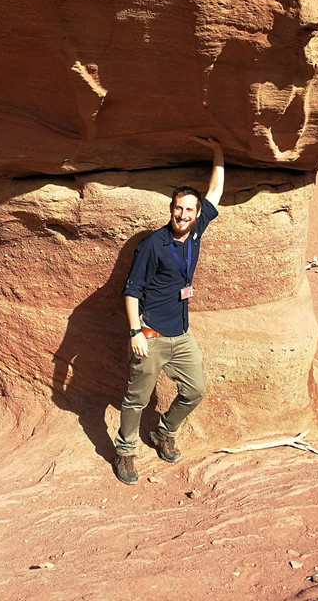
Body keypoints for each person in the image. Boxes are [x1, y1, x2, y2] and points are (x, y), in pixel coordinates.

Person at [113, 138, 224, 484]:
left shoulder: (195, 232)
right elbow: (131, 291)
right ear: (171, 208)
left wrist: (218, 151)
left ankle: (164, 431)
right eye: (178, 208)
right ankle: (126, 452)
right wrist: (136, 333)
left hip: (181, 333)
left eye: (189, 210)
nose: (183, 215)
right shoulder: (153, 245)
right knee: (136, 400)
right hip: (152, 335)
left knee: (195, 390)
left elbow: (216, 190)